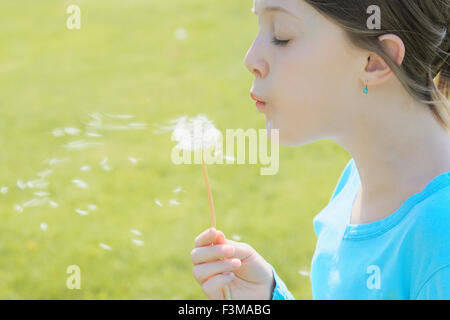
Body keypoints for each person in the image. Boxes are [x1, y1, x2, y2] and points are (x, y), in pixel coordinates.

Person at [190, 0, 450, 299]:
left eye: (282, 36)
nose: (251, 59)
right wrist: (266, 297)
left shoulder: (441, 243)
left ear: (376, 61)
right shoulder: (356, 182)